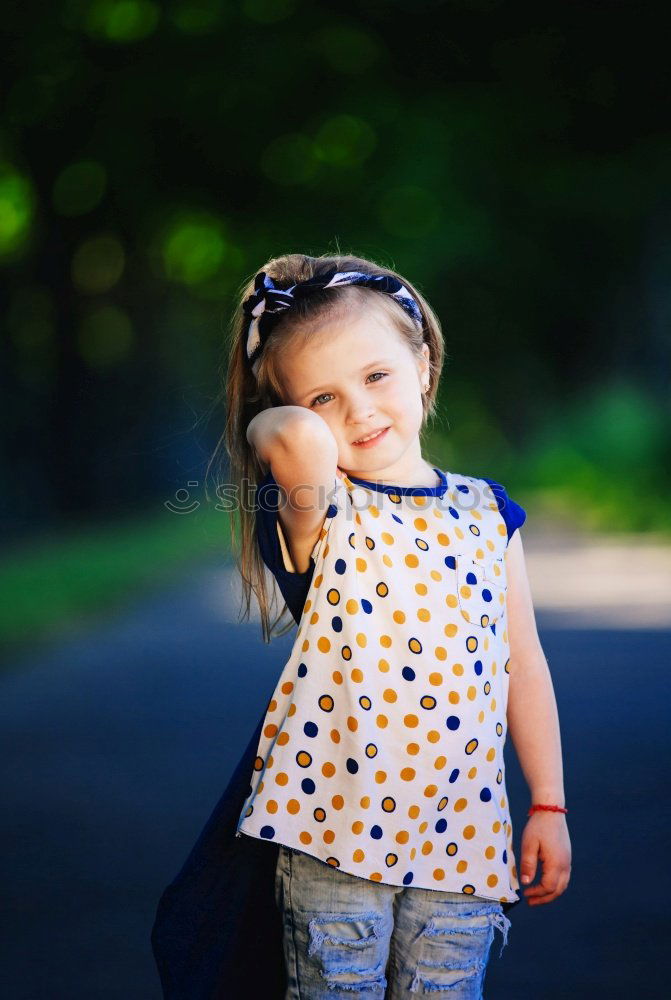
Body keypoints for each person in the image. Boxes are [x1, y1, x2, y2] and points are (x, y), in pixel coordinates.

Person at [151, 253, 571, 999]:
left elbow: (523, 665)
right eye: (324, 396)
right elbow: (294, 439)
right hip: (334, 832)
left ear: (424, 364)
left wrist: (546, 802)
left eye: (376, 377)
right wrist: (274, 406)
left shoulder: (486, 511)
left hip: (461, 833)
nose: (357, 412)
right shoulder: (320, 504)